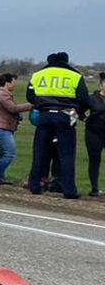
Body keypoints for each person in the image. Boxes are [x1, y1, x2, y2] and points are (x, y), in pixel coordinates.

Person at [26, 52, 90, 199]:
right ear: (66, 61)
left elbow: (30, 96)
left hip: (44, 115)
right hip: (65, 116)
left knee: (39, 152)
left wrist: (41, 105)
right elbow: (84, 99)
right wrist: (77, 111)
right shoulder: (75, 76)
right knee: (66, 155)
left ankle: (35, 186)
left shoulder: (38, 74)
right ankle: (69, 190)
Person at [0, 73, 31, 184]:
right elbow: (12, 108)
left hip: (2, 126)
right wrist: (31, 105)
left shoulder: (1, 93)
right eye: (13, 82)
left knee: (3, 153)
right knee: (9, 152)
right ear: (7, 83)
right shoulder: (2, 94)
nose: (14, 85)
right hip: (1, 127)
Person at [85, 73, 105, 197]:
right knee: (94, 160)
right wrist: (84, 119)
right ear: (101, 85)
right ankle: (94, 188)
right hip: (94, 133)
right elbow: (79, 109)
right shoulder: (92, 98)